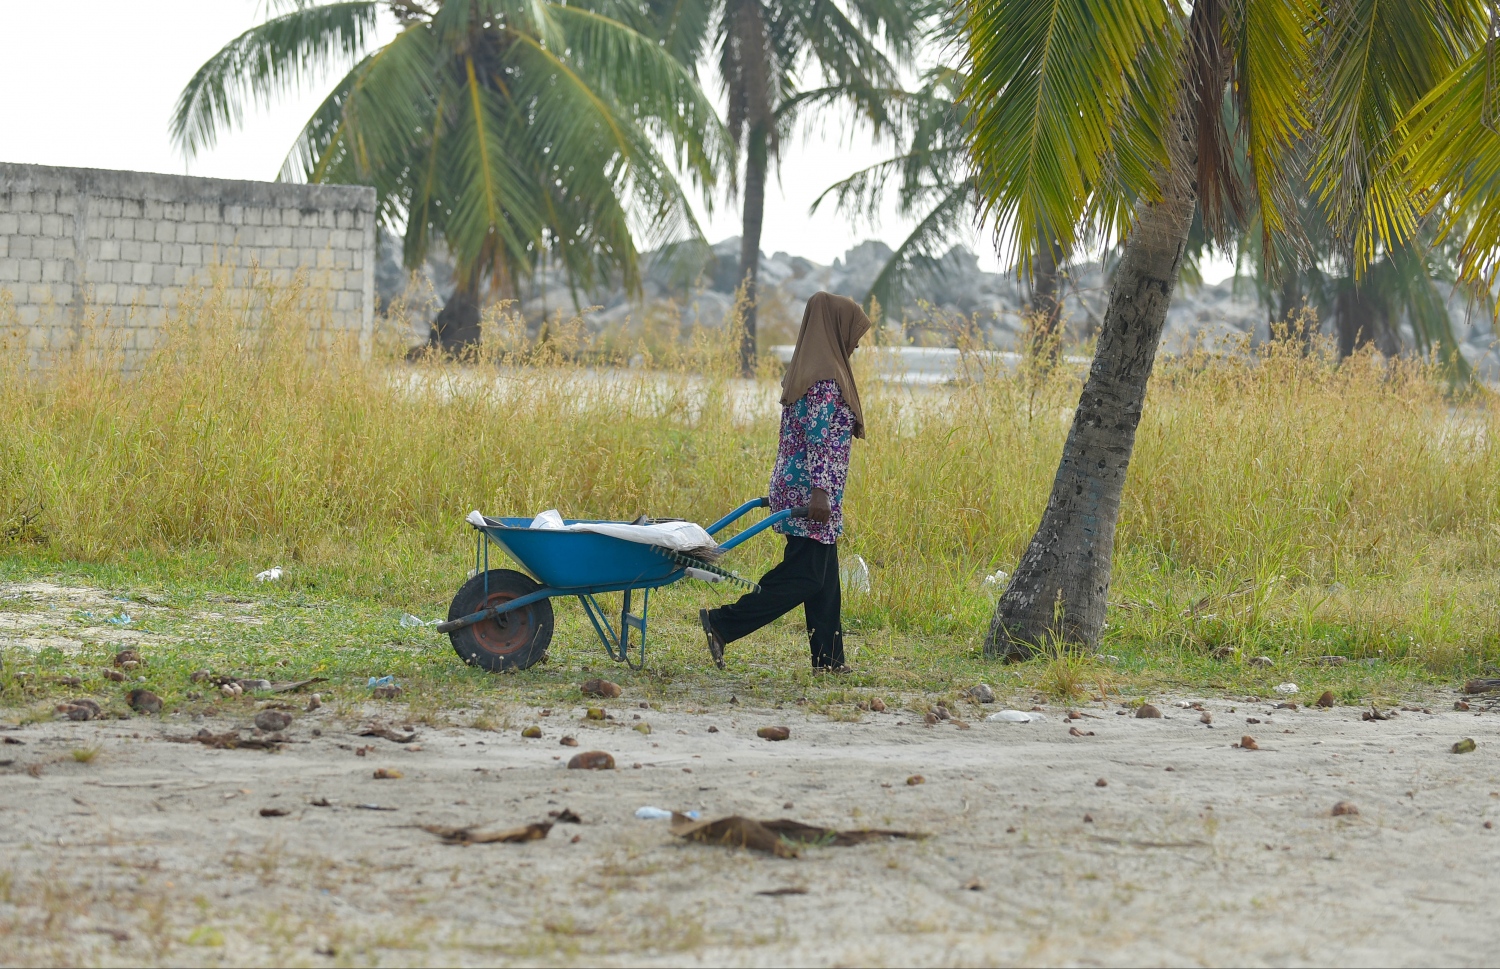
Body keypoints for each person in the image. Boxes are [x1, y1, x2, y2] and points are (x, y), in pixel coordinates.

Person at [700, 291, 869, 672]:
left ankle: (828, 659)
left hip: (803, 487)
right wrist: (821, 493)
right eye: (854, 332)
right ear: (836, 327)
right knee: (806, 576)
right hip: (812, 491)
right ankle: (722, 623)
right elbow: (819, 439)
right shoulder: (825, 379)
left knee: (823, 577)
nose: (857, 341)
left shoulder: (809, 369)